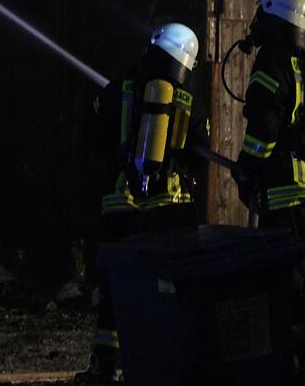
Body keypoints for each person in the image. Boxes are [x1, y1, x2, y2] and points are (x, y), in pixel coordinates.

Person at [76, 23, 209, 385]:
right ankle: (165, 365)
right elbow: (198, 157)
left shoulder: (117, 89)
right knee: (168, 288)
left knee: (115, 288)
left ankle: (105, 365)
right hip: (170, 210)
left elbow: (92, 136)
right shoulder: (189, 101)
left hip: (120, 206)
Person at [234, 0, 305, 348]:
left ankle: (281, 360)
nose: (256, 23)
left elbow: (264, 125)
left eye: (261, 14)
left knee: (279, 284)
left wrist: (247, 166)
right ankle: (300, 357)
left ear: (277, 17)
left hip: (284, 194)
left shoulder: (272, 61)